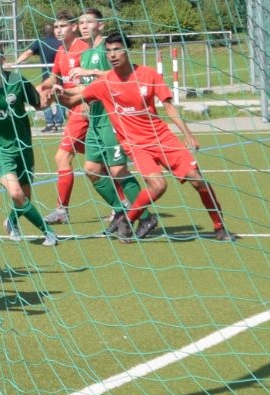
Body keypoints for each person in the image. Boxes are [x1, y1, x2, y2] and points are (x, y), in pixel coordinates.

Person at [58, 34, 236, 242]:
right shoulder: (104, 82)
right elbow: (71, 101)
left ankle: (219, 226)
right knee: (158, 185)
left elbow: (169, 107)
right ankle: (130, 219)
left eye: (117, 50)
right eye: (109, 51)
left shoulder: (148, 74)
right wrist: (57, 93)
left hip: (162, 138)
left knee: (198, 180)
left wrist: (188, 135)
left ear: (127, 51)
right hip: (136, 145)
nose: (113, 55)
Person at [41, 9, 146, 227]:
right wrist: (59, 92)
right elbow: (85, 88)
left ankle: (143, 217)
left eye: (88, 22)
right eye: (82, 23)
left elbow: (121, 77)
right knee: (93, 168)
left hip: (107, 117)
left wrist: (91, 74)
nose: (84, 26)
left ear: (101, 25)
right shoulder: (83, 54)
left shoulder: (105, 50)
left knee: (113, 168)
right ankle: (121, 210)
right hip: (91, 116)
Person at [0, 42, 58, 245]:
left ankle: (11, 222)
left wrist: (52, 96)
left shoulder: (16, 81)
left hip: (23, 147)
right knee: (16, 193)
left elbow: (39, 104)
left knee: (25, 196)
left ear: (2, 59)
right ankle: (48, 231)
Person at [14, 21, 65, 132]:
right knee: (60, 97)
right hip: (60, 74)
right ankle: (59, 123)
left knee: (45, 96)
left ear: (44, 31)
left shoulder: (40, 41)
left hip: (47, 75)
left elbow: (28, 53)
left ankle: (50, 123)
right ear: (54, 30)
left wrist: (16, 62)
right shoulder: (61, 42)